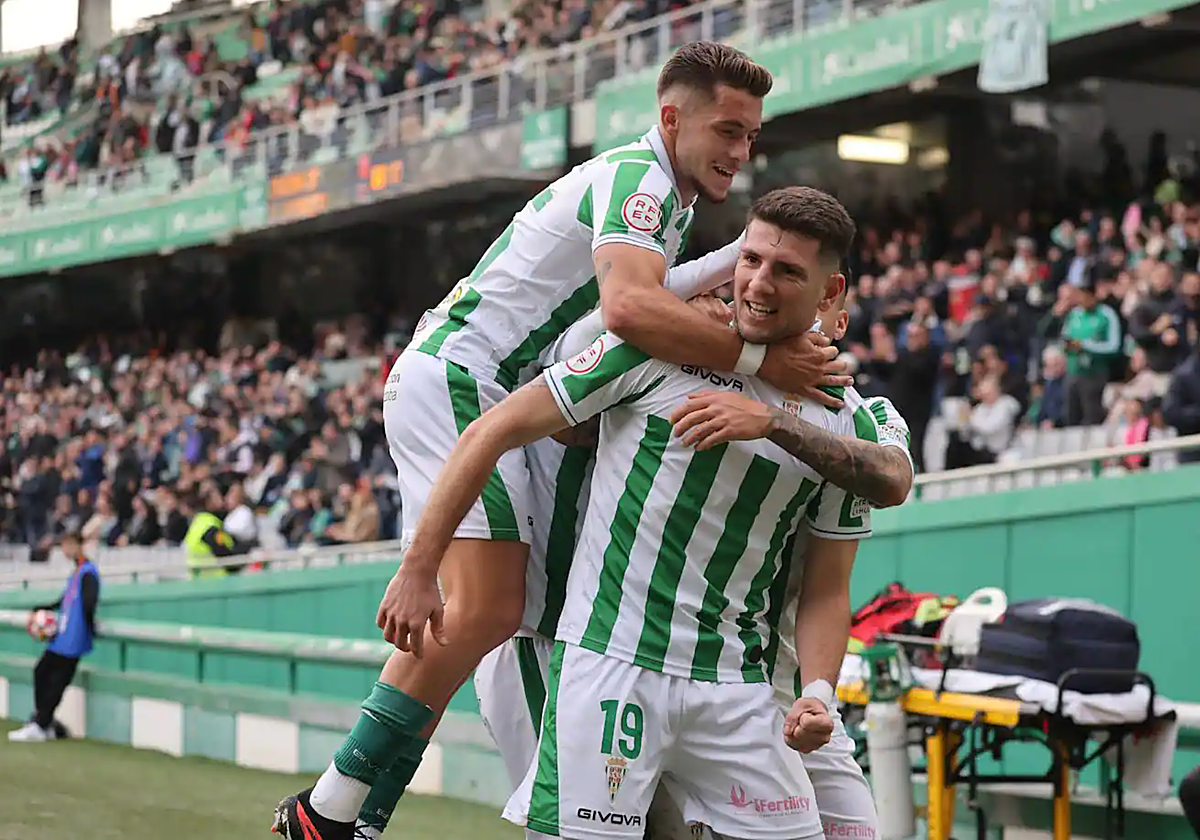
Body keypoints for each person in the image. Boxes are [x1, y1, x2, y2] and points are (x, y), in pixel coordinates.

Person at [272, 42, 850, 840]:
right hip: (467, 379)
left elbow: (630, 315)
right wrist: (763, 357)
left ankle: (343, 812)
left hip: (494, 388)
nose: (741, 150)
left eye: (751, 135)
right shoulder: (640, 185)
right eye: (726, 130)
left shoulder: (670, 206)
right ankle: (330, 812)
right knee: (489, 607)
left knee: (511, 614)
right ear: (671, 118)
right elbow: (628, 313)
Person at [380, 186, 863, 840]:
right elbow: (491, 429)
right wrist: (419, 567)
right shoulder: (654, 351)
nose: (758, 282)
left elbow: (841, 566)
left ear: (829, 295)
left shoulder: (843, 418)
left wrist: (821, 691)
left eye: (787, 272)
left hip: (740, 690)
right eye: (749, 260)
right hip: (611, 668)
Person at [8, 530, 100, 743]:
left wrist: (88, 628)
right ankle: (43, 720)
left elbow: (89, 603)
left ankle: (41, 723)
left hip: (74, 637)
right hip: (63, 636)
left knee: (56, 680)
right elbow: (65, 601)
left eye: (68, 546)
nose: (65, 551)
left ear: (77, 545)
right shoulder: (77, 572)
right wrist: (44, 608)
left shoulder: (88, 572)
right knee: (43, 672)